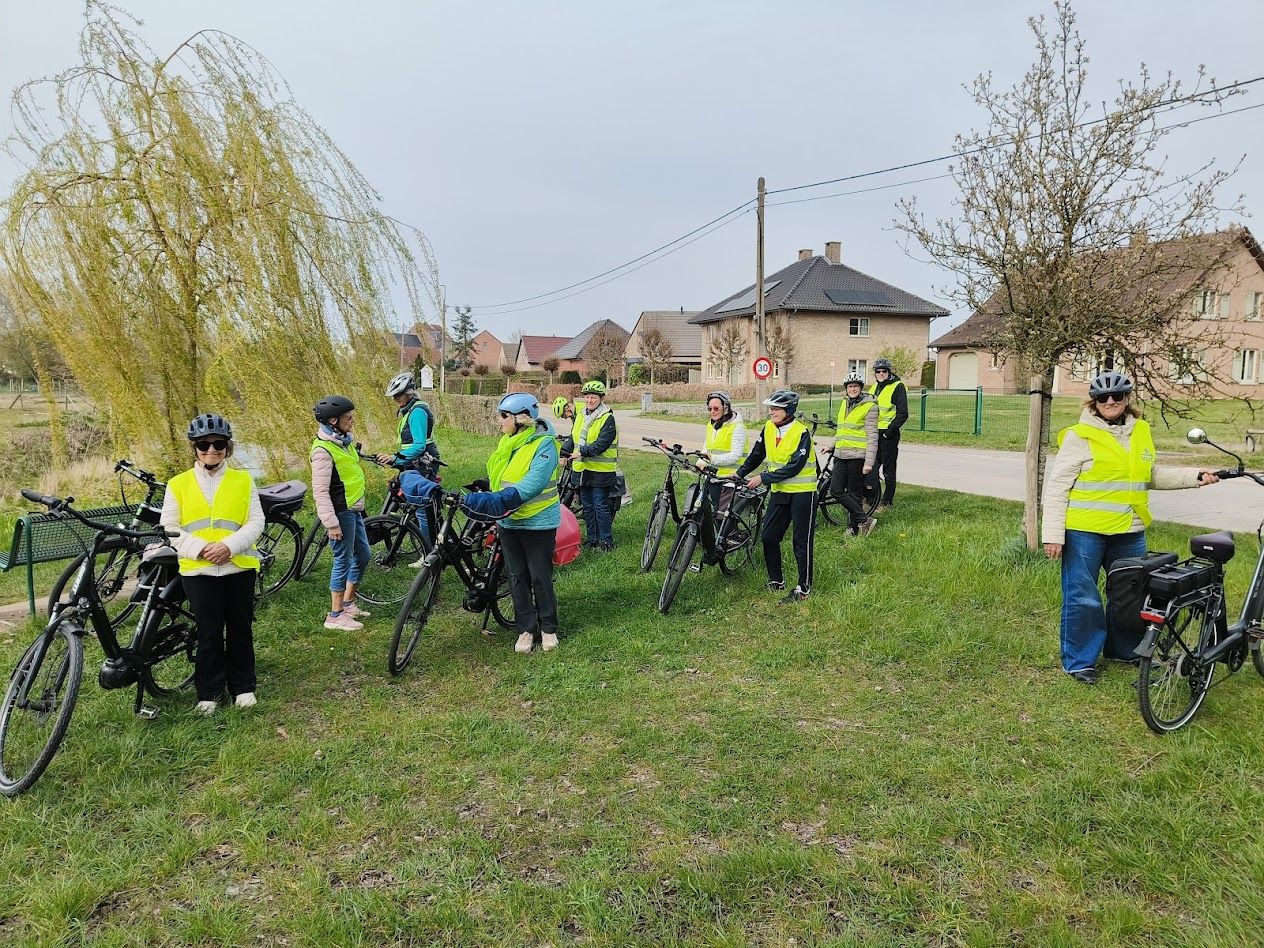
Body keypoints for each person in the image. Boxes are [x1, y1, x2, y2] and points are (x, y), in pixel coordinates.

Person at [1042, 371, 1220, 684]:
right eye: (1103, 398)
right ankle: (1080, 661)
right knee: (1083, 597)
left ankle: (1124, 651)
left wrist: (1194, 476)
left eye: (1117, 396)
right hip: (1085, 531)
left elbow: (1150, 475)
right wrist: (1053, 535)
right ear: (1094, 403)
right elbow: (1057, 487)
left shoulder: (1141, 431)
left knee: (1132, 598)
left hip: (1130, 531)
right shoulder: (1079, 436)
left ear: (1127, 399)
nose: (1111, 401)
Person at [160, 413, 265, 715]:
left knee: (240, 629)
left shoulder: (243, 480)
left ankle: (243, 688)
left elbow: (256, 521)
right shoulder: (178, 484)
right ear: (194, 448)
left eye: (218, 444)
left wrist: (230, 546)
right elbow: (170, 526)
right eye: (203, 445)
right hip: (199, 570)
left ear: (227, 447)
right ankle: (208, 692)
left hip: (238, 567)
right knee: (208, 633)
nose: (211, 450)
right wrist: (202, 549)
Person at [460, 393, 562, 654]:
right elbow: (503, 475)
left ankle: (548, 628)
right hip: (509, 520)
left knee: (540, 577)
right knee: (516, 577)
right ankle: (526, 629)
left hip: (538, 520)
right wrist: (489, 490)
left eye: (503, 416)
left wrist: (504, 498)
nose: (499, 421)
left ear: (521, 418)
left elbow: (534, 482)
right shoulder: (507, 441)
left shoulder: (545, 444)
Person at [735, 389, 818, 603]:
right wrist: (739, 473)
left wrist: (763, 478)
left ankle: (803, 589)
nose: (771, 411)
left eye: (775, 408)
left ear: (788, 410)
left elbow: (794, 467)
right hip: (780, 492)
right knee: (769, 536)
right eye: (771, 407)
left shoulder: (802, 433)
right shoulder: (769, 429)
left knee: (801, 541)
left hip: (802, 494)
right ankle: (776, 581)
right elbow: (756, 455)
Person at [312, 395, 372, 632]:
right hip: (339, 513)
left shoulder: (342, 442)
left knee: (363, 554)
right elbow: (320, 491)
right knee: (342, 560)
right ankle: (335, 615)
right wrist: (331, 523)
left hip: (353, 509)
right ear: (333, 421)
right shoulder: (323, 451)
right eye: (348, 418)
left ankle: (348, 603)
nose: (353, 421)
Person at [374, 372, 438, 546]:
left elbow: (419, 445)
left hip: (422, 464)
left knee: (422, 510)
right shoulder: (409, 410)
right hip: (413, 462)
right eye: (393, 396)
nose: (395, 398)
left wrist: (395, 457)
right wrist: (396, 460)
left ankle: (429, 551)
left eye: (398, 395)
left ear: (409, 392)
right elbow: (408, 444)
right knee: (411, 504)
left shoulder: (417, 412)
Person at [570, 380, 618, 551]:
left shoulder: (607, 418)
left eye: (593, 397)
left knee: (600, 505)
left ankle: (606, 541)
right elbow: (573, 438)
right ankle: (592, 539)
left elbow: (601, 444)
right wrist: (563, 452)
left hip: (601, 471)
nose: (589, 400)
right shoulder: (581, 416)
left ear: (601, 399)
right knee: (588, 507)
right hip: (583, 469)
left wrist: (582, 452)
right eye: (587, 397)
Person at [831, 372, 879, 537]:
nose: (852, 389)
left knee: (854, 493)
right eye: (850, 386)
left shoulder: (869, 406)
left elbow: (873, 437)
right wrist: (831, 446)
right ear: (846, 389)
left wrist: (869, 462)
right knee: (836, 490)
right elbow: (842, 430)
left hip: (858, 457)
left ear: (860, 388)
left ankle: (853, 528)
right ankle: (865, 520)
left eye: (855, 386)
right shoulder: (845, 404)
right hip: (841, 455)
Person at [866, 358, 908, 512]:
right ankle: (871, 499)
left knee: (888, 470)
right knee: (870, 467)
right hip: (873, 432)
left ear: (889, 372)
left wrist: (889, 432)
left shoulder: (898, 386)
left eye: (884, 371)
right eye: (878, 371)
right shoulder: (874, 387)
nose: (881, 373)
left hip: (888, 434)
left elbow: (903, 414)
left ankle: (886, 502)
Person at [695, 390, 747, 510]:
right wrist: (701, 462)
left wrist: (712, 459)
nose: (712, 412)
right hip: (713, 477)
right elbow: (707, 446)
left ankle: (733, 530)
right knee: (709, 512)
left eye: (716, 408)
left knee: (722, 517)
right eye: (709, 409)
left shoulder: (737, 427)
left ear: (726, 408)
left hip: (731, 479)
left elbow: (736, 455)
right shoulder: (712, 425)